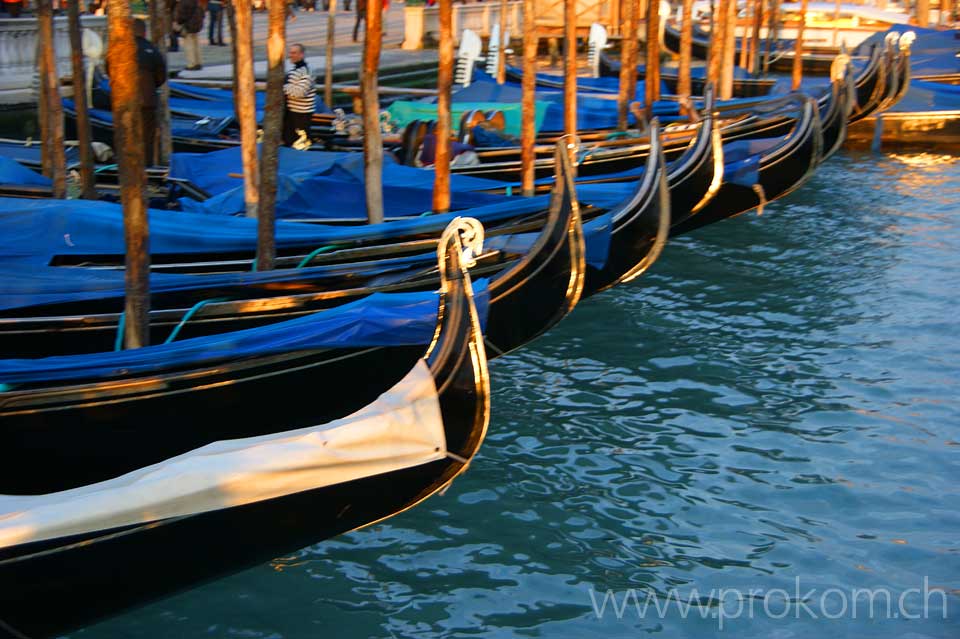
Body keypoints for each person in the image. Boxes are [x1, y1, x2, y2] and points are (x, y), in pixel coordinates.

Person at [133, 18, 167, 165]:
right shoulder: (152, 50)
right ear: (144, 32)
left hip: (125, 101)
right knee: (147, 136)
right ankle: (146, 166)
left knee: (127, 134)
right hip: (148, 99)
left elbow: (109, 70)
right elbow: (161, 76)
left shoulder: (119, 49)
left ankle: (131, 164)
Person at [282, 43, 316, 147]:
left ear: (302, 55)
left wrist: (281, 87)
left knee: (300, 145)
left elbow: (299, 93)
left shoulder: (306, 72)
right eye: (290, 53)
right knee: (289, 142)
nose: (291, 55)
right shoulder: (294, 71)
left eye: (294, 53)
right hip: (291, 114)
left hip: (301, 116)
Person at [175, 0, 205, 70]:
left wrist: (178, 22)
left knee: (188, 45)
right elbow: (202, 12)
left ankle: (191, 64)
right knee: (196, 44)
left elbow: (181, 16)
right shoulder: (197, 1)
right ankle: (198, 62)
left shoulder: (183, 2)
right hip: (197, 24)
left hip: (188, 26)